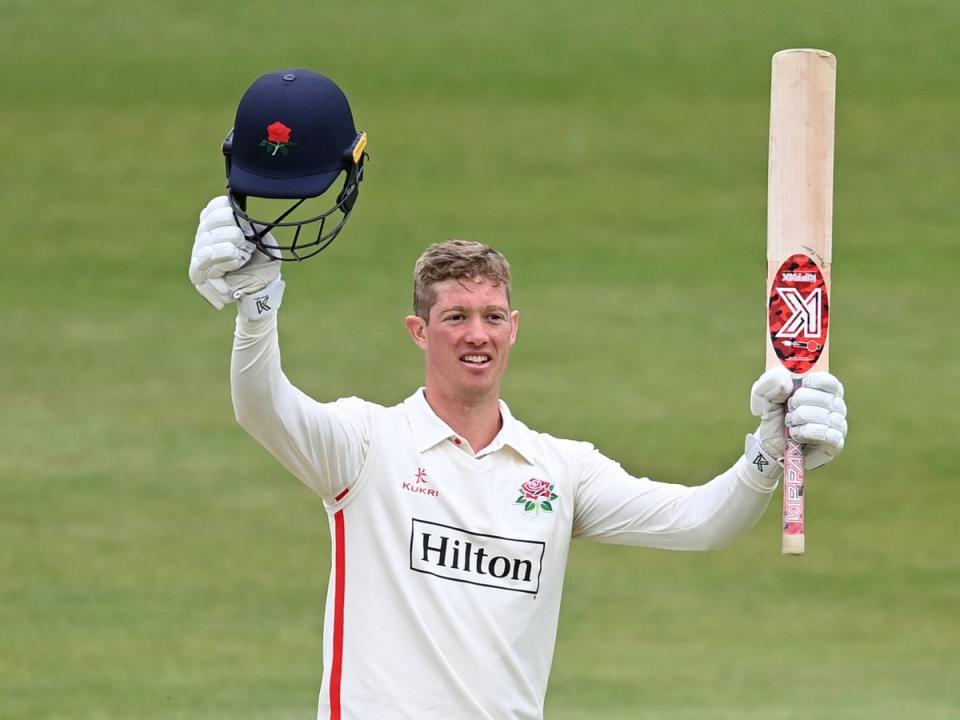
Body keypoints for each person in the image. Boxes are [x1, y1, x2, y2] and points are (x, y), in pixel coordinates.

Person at [190, 70, 848, 720]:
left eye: (492, 316)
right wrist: (259, 305)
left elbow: (704, 522)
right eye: (456, 318)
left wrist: (768, 449)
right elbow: (261, 406)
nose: (477, 335)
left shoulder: (560, 470)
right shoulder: (365, 446)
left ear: (514, 329)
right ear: (419, 331)